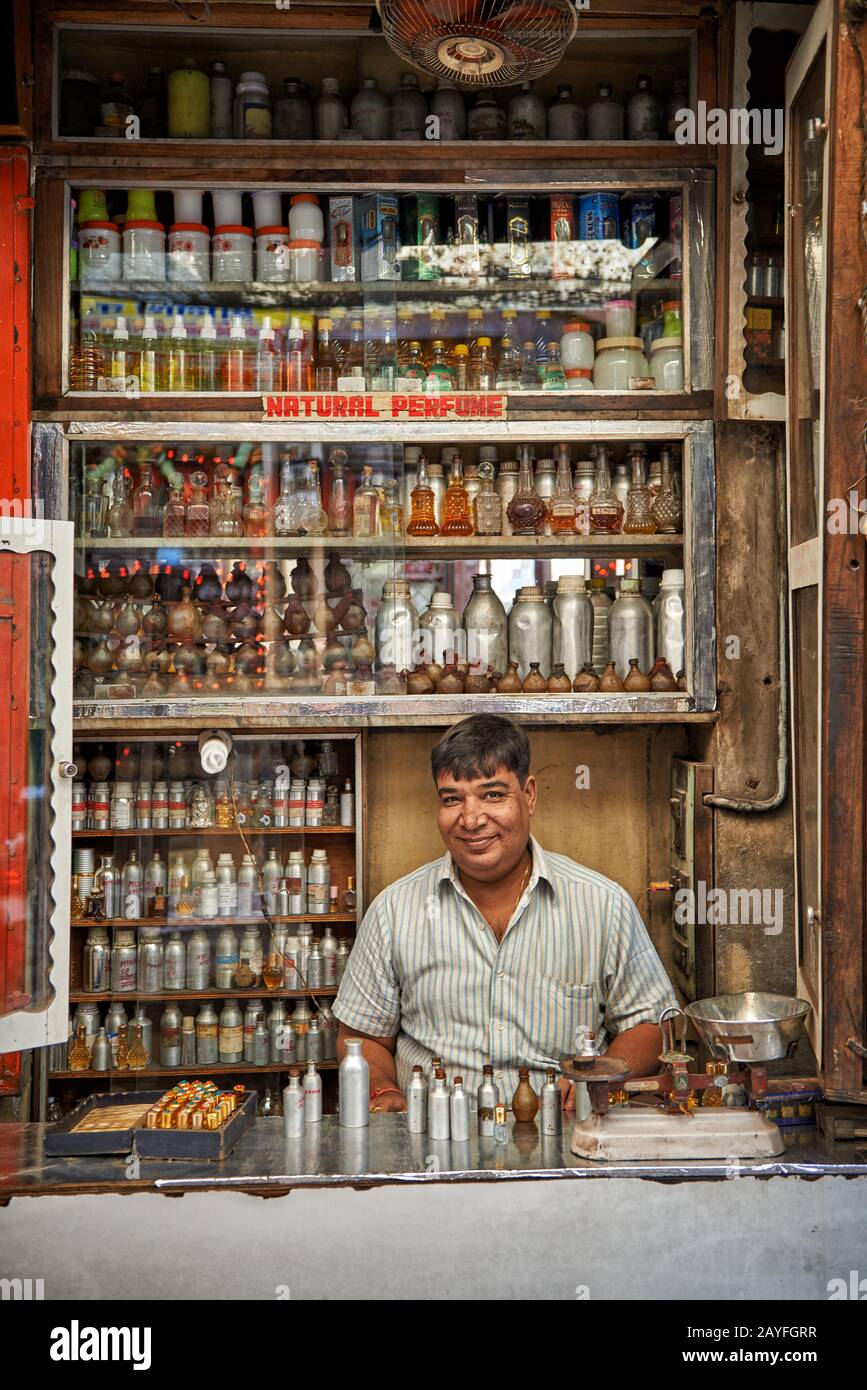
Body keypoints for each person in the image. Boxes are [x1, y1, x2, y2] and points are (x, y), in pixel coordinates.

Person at [333, 713, 678, 1114]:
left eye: (492, 794)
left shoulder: (602, 904)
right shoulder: (394, 911)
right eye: (451, 799)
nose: (471, 818)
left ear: (529, 795)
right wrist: (383, 1092)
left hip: (565, 1137)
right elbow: (361, 1037)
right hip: (432, 1139)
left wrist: (596, 1076)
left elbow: (650, 1026)